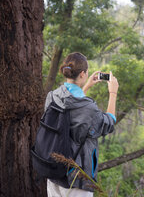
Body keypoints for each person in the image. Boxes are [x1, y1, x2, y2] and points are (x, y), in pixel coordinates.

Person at [45, 52, 119, 197]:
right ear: (83, 74)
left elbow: (69, 110)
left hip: (53, 172)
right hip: (76, 179)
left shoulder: (52, 96)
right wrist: (113, 93)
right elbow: (108, 123)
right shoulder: (88, 107)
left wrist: (85, 87)